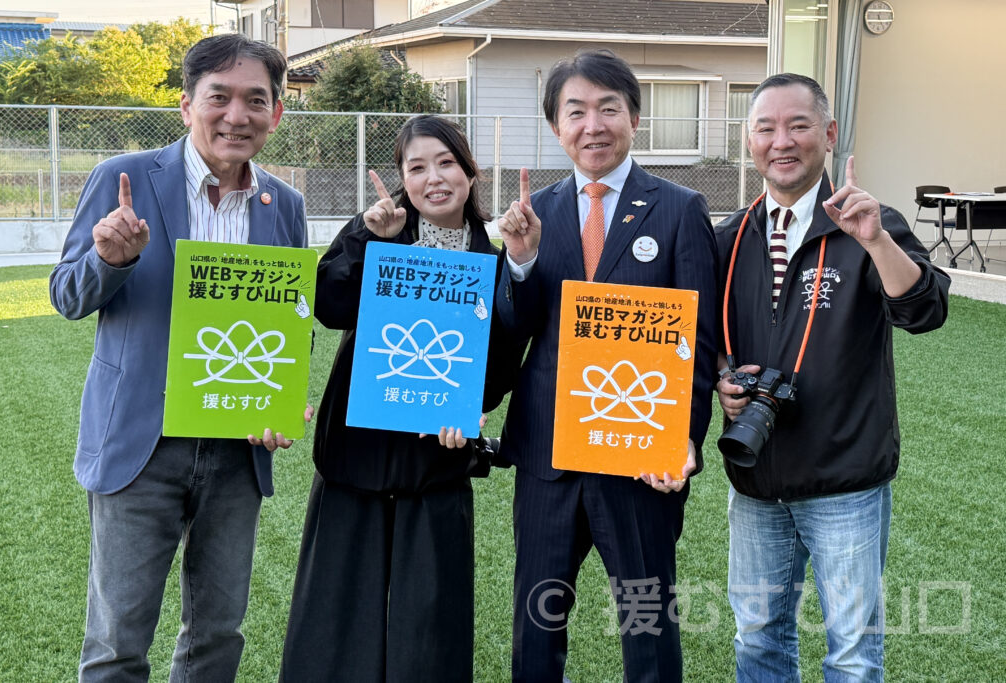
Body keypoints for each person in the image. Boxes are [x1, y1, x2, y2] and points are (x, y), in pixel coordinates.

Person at [49, 34, 308, 681]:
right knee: (117, 642)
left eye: (256, 100)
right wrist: (110, 259)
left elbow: (287, 326)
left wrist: (282, 397)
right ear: (187, 103)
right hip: (141, 445)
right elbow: (67, 294)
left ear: (277, 112)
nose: (236, 115)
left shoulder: (287, 206)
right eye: (219, 97)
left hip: (235, 453)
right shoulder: (124, 178)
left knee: (218, 635)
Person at [714, 73, 950, 681]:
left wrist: (874, 242)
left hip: (844, 478)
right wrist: (722, 380)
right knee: (757, 638)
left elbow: (925, 310)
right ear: (749, 140)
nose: (781, 141)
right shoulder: (729, 236)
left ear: (829, 133)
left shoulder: (868, 224)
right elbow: (700, 338)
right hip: (756, 476)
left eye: (797, 125)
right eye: (766, 127)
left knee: (851, 652)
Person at [494, 49, 719, 681]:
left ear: (635, 119)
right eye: (576, 112)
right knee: (537, 624)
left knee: (645, 620)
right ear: (556, 126)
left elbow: (698, 344)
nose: (593, 125)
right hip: (549, 452)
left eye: (608, 109)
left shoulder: (679, 209)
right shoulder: (534, 214)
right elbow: (516, 326)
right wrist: (520, 260)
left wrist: (683, 439)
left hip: (639, 449)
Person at [279, 115, 514, 682]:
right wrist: (365, 235)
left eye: (445, 163)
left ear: (469, 171)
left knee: (430, 626)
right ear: (402, 180)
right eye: (416, 167)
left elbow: (503, 356)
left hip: (438, 460)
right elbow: (328, 304)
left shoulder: (494, 258)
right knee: (335, 621)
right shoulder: (379, 235)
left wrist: (472, 407)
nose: (433, 178)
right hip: (354, 454)